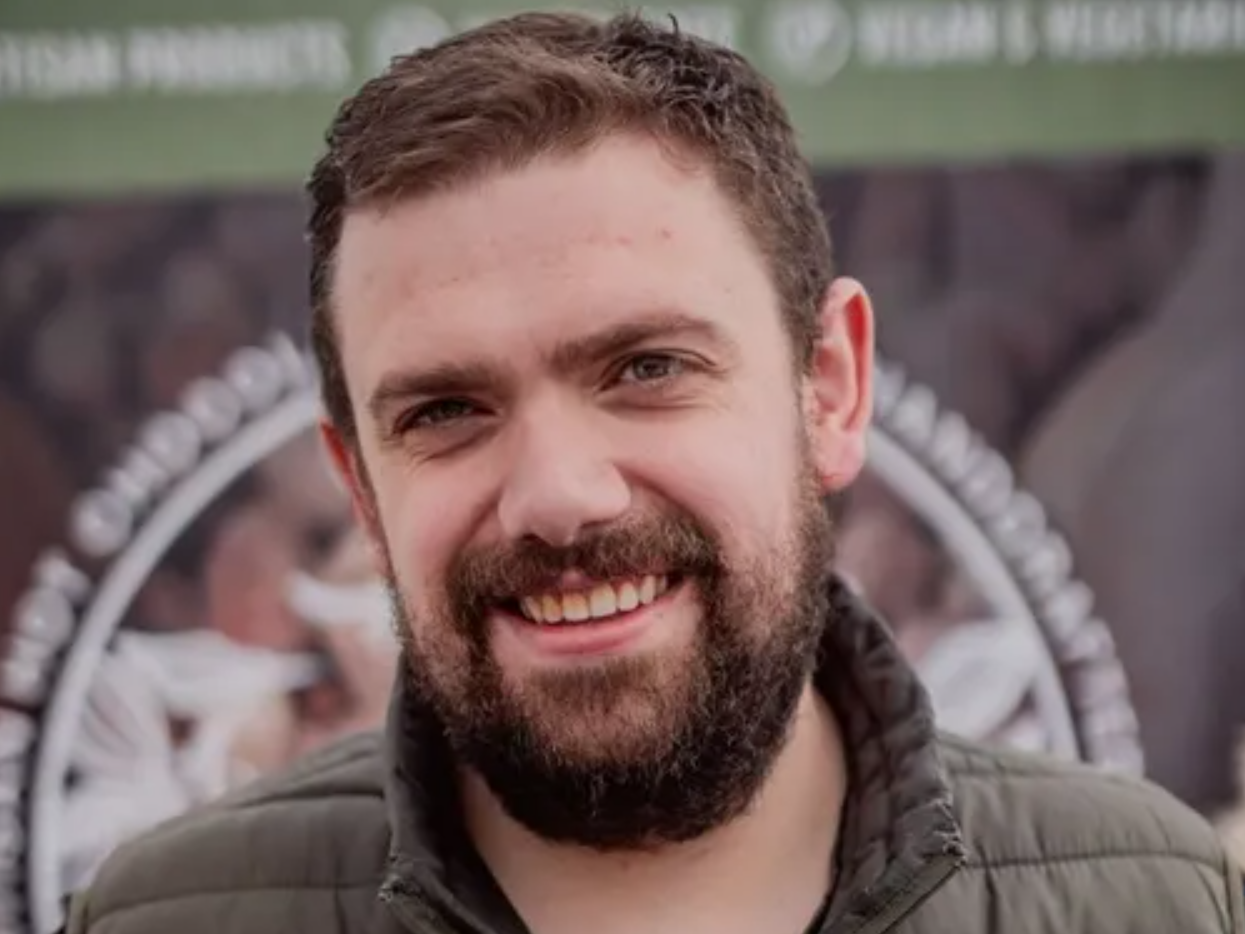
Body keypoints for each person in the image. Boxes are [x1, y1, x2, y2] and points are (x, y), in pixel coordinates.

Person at [63, 12, 1243, 934]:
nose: (558, 494)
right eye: (447, 411)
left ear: (829, 389)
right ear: (363, 491)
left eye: (647, 368)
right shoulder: (168, 918)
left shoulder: (1153, 903)